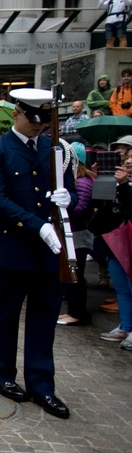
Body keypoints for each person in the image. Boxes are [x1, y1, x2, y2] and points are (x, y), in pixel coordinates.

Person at [0, 88, 76, 419]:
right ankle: (1, 373)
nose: (39, 127)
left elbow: (69, 190)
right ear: (16, 113)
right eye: (33, 120)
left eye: (44, 121)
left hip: (51, 251)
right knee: (5, 314)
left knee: (44, 318)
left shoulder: (57, 149)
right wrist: (38, 225)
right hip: (13, 248)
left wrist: (68, 199)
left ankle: (42, 384)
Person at [98, 149, 132, 350]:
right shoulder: (118, 182)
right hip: (115, 240)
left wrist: (125, 184)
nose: (128, 162)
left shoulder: (125, 184)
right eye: (127, 159)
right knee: (122, 288)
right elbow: (102, 203)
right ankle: (125, 326)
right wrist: (101, 178)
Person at [57, 142, 95, 325]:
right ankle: (73, 310)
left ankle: (77, 312)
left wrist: (61, 207)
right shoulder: (76, 180)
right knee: (71, 274)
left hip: (79, 234)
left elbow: (79, 208)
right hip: (73, 233)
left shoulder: (83, 182)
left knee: (76, 275)